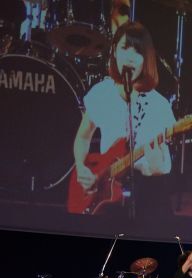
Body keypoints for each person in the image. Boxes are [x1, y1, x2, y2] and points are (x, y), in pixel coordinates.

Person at [71, 21, 175, 218]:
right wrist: (81, 167)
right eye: (124, 48)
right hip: (106, 186)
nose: (130, 57)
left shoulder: (159, 105)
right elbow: (83, 137)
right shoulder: (101, 93)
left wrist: (156, 168)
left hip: (146, 190)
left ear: (146, 59)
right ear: (114, 52)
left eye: (138, 51)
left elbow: (165, 163)